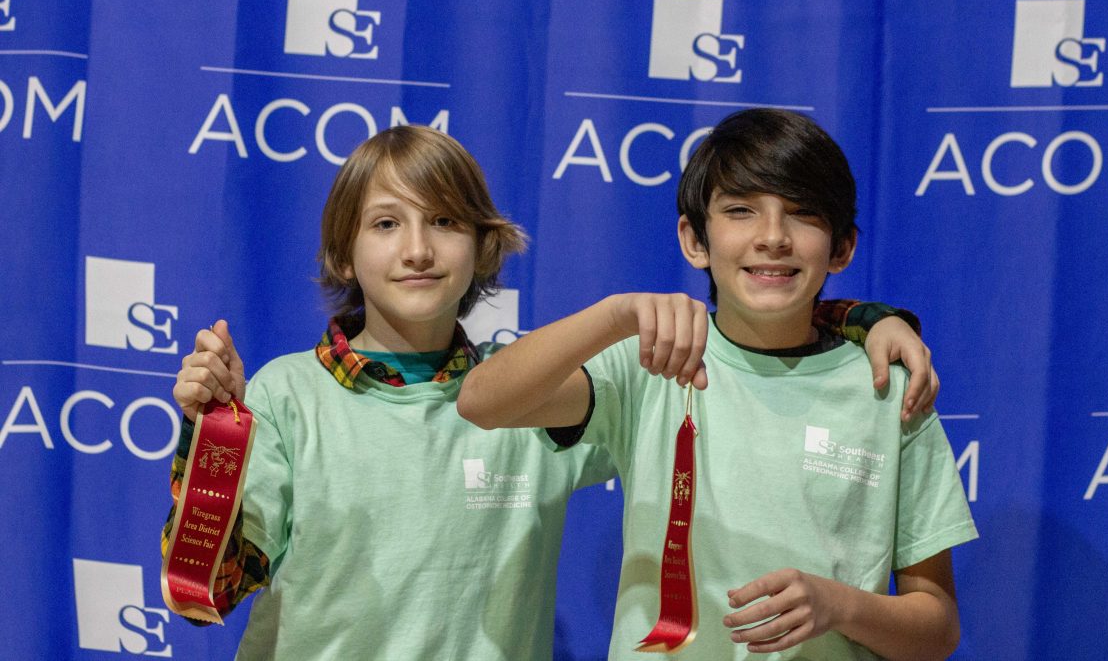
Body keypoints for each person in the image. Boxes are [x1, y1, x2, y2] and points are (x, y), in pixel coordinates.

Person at [163, 124, 942, 660]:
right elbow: (208, 593)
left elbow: (758, 333)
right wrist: (207, 442)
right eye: (386, 224)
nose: (418, 249)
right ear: (343, 250)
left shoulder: (537, 392)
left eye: (445, 221)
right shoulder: (287, 393)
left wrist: (861, 318)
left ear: (484, 247)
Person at [458, 109, 978, 660]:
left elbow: (937, 629)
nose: (772, 237)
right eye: (740, 211)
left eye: (802, 213)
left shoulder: (890, 388)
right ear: (694, 239)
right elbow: (481, 402)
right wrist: (614, 315)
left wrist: (842, 606)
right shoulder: (650, 363)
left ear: (842, 247)